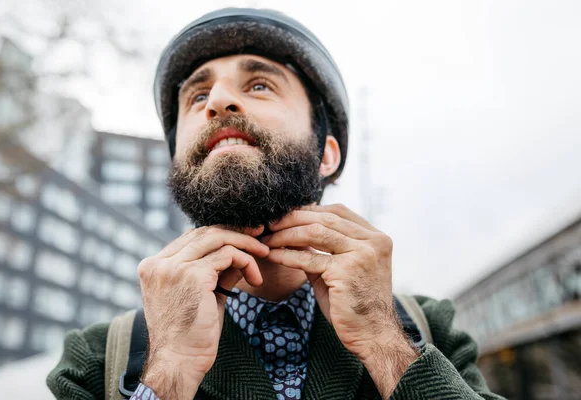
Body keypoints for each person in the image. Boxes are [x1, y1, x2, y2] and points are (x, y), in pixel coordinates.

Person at [47, 8, 504, 400]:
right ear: (178, 161)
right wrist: (167, 373)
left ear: (326, 153)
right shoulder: (98, 358)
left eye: (260, 85)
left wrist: (386, 344)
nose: (220, 101)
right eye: (198, 96)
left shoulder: (429, 331)